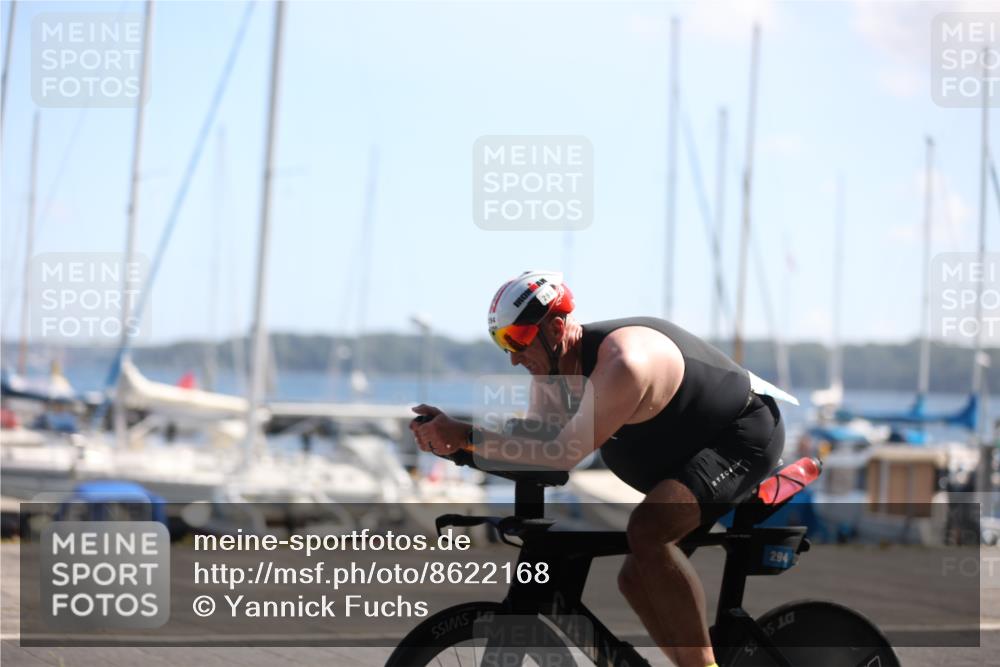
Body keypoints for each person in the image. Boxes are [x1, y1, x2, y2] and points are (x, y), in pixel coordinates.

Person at [411, 270, 787, 667]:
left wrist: (466, 434)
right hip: (684, 454)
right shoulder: (552, 373)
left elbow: (561, 455)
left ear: (556, 329)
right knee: (633, 578)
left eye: (518, 339)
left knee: (648, 534)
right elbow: (536, 455)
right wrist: (456, 448)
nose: (513, 357)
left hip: (742, 435)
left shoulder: (623, 363)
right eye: (501, 342)